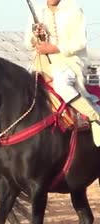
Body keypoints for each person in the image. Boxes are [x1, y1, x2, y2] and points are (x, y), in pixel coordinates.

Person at [24, 0, 100, 145]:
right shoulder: (38, 12)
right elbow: (28, 43)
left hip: (70, 62)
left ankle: (94, 117)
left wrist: (54, 48)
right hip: (42, 63)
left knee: (61, 84)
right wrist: (36, 38)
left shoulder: (74, 10)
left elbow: (80, 42)